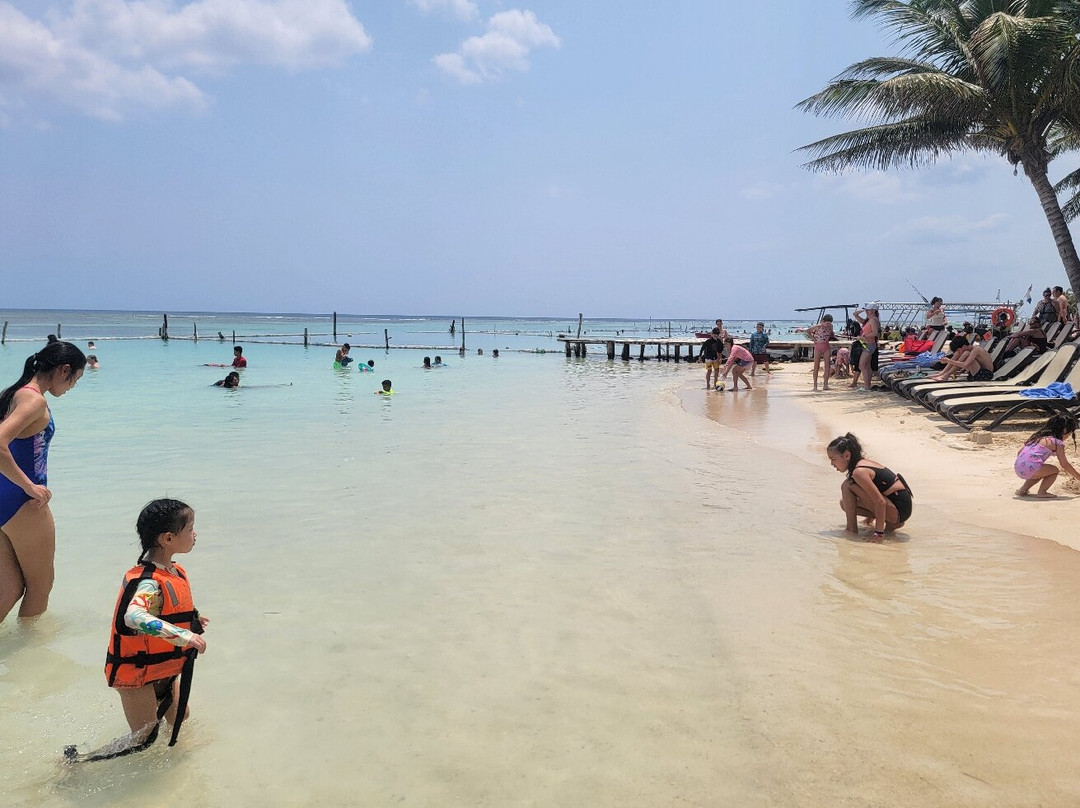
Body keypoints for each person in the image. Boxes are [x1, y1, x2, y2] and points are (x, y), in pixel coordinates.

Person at [65, 499, 208, 762]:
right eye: (190, 529)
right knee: (143, 737)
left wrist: (194, 619)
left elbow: (166, 609)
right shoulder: (148, 582)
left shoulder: (173, 572)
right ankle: (77, 762)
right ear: (168, 538)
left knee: (180, 716)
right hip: (137, 672)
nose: (195, 534)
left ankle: (176, 759)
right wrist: (184, 635)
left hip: (162, 666)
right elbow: (134, 616)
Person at [0, 341, 86, 622]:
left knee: (10, 588)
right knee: (40, 586)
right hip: (23, 502)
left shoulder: (15, 393)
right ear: (64, 370)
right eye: (75, 378)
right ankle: (32, 645)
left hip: (4, 496)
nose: (73, 386)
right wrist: (29, 487)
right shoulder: (35, 400)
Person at [826, 433, 912, 542]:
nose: (832, 463)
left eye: (833, 459)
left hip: (899, 511)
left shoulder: (859, 472)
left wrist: (878, 535)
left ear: (847, 455)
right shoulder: (861, 464)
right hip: (900, 510)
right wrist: (869, 519)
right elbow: (878, 490)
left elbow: (880, 501)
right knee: (845, 503)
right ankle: (890, 523)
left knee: (847, 486)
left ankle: (851, 529)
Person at [1014, 413, 1080, 498]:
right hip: (1031, 468)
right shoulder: (1057, 443)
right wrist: (1078, 477)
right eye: (1069, 434)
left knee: (1039, 471)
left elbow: (1019, 452)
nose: (1068, 436)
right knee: (1054, 470)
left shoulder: (1036, 438)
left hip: (1018, 467)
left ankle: (1023, 490)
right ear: (1065, 430)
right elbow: (1064, 464)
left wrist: (1024, 465)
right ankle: (1042, 492)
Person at [930, 341, 995, 381]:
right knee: (960, 353)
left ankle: (946, 375)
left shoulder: (976, 350)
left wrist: (948, 360)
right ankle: (943, 373)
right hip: (977, 372)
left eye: (959, 349)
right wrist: (961, 370)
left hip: (985, 375)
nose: (958, 352)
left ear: (964, 346)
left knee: (966, 354)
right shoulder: (970, 349)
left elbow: (965, 364)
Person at [850, 306, 880, 391]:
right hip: (866, 344)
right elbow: (855, 314)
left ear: (873, 310)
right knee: (867, 366)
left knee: (862, 365)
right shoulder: (869, 320)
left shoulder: (873, 320)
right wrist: (863, 310)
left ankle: (867, 386)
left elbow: (875, 333)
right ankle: (868, 385)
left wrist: (863, 336)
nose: (867, 311)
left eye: (868, 310)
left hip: (869, 344)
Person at [802, 314, 835, 391]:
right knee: (816, 367)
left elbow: (830, 334)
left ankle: (825, 385)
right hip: (818, 347)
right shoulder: (818, 326)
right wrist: (813, 339)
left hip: (826, 346)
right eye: (827, 323)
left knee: (827, 366)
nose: (828, 325)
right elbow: (808, 331)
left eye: (829, 323)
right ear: (823, 321)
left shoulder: (831, 326)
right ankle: (815, 386)